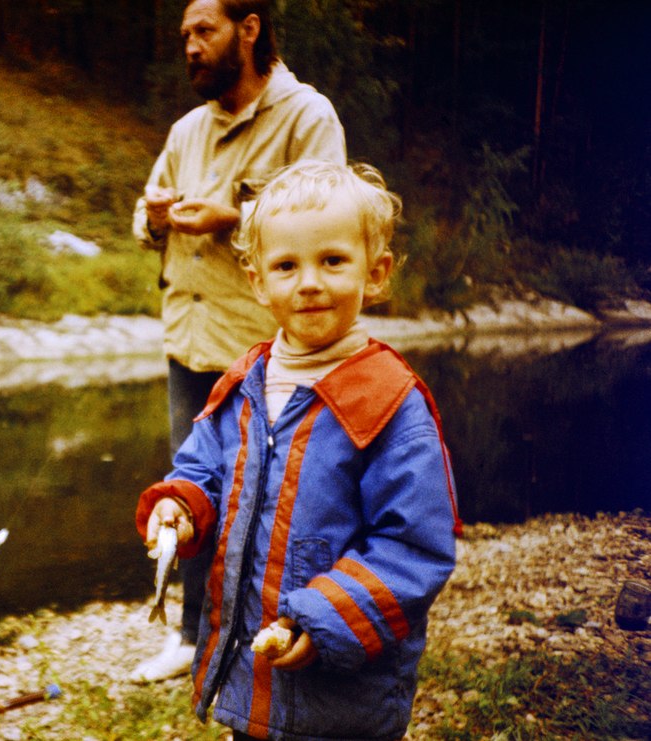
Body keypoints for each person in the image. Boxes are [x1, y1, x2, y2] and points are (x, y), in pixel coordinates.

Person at [135, 160, 462, 740]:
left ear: (377, 272)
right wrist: (181, 506)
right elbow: (202, 466)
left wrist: (328, 617)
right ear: (258, 281)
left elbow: (413, 545)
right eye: (287, 265)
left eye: (333, 261)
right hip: (250, 671)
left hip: (342, 695)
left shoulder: (392, 401)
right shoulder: (245, 381)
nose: (309, 282)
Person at [131, 0, 346, 682]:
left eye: (205, 31)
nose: (190, 46)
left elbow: (327, 213)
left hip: (267, 351)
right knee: (189, 492)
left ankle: (285, 632)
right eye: (184, 36)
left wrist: (234, 216)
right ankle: (193, 637)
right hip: (188, 340)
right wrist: (156, 217)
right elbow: (143, 219)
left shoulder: (307, 116)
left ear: (247, 29)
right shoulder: (187, 129)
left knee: (279, 498)